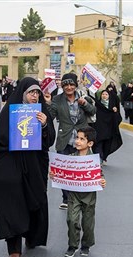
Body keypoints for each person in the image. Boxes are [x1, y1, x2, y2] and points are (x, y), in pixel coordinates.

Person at [0, 77, 55, 257]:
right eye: (31, 92)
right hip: (11, 164)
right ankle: (14, 247)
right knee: (13, 202)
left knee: (34, 199)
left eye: (37, 92)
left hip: (34, 166)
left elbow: (49, 141)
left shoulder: (42, 112)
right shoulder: (10, 112)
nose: (35, 96)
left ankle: (32, 236)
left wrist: (45, 124)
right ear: (23, 93)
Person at [50, 126, 106, 257]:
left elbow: (99, 175)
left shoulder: (94, 160)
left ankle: (86, 245)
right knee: (71, 219)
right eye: (77, 138)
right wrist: (54, 174)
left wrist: (102, 180)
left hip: (89, 196)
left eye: (82, 139)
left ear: (90, 143)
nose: (77, 141)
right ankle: (72, 245)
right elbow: (60, 172)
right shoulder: (70, 158)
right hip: (73, 195)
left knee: (88, 223)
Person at [43, 72, 96, 210]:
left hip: (81, 139)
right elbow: (51, 116)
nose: (69, 87)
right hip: (64, 139)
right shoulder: (57, 99)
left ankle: (80, 197)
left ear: (75, 85)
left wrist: (85, 104)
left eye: (71, 84)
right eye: (66, 84)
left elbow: (93, 110)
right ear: (62, 86)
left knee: (79, 169)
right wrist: (48, 103)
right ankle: (66, 198)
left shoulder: (83, 97)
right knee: (64, 170)